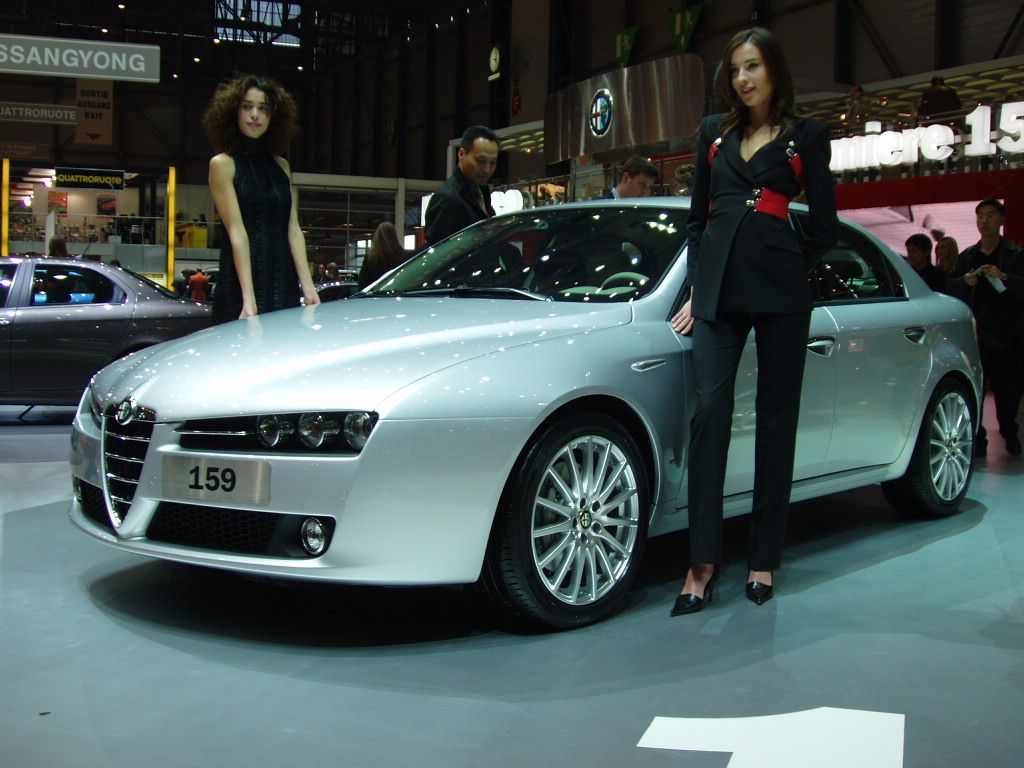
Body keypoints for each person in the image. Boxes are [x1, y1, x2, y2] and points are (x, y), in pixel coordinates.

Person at [668, 26, 838, 614]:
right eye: (735, 69)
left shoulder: (806, 136)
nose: (742, 78)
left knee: (775, 421)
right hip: (718, 296)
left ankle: (763, 556)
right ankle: (703, 561)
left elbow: (826, 227)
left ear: (774, 70)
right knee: (710, 414)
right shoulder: (713, 135)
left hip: (782, 295)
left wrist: (789, 263)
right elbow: (697, 221)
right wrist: (699, 285)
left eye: (753, 66)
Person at [202, 73, 319, 323]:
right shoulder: (223, 165)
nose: (255, 115)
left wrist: (308, 288)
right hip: (240, 284)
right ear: (234, 112)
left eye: (263, 109)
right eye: (247, 107)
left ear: (273, 116)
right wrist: (248, 298)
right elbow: (237, 232)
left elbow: (293, 229)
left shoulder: (281, 166)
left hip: (282, 281)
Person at [947, 199, 1024, 457]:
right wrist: (965, 282)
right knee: (974, 389)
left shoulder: (1015, 254)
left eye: (990, 215)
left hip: (1008, 336)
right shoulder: (968, 255)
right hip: (975, 334)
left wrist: (1005, 278)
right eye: (980, 216)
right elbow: (950, 289)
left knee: (1007, 391)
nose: (984, 221)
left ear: (1002, 220)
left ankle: (1009, 432)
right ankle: (977, 436)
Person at [424, 125, 499, 246]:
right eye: (480, 161)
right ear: (461, 154)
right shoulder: (448, 200)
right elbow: (442, 257)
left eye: (493, 163)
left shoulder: (480, 194)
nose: (487, 169)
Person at [359, 221, 408, 288]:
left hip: (375, 296)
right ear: (394, 236)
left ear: (377, 237)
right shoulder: (404, 256)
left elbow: (362, 284)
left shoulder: (370, 259)